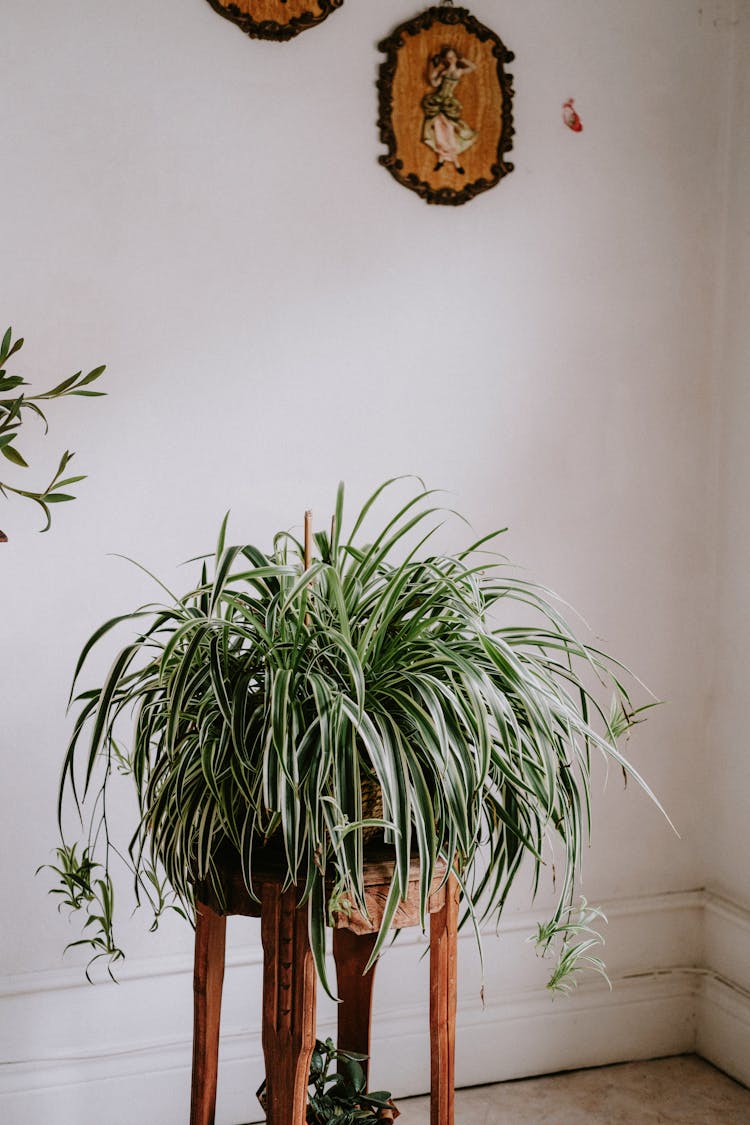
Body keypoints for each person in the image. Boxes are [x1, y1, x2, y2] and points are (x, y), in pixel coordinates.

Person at [421, 46, 478, 174]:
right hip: (438, 101)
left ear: (456, 57)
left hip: (449, 103)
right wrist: (434, 70)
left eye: (452, 57)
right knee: (439, 130)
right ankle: (443, 160)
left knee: (450, 130)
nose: (450, 59)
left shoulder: (459, 71)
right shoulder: (444, 72)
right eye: (448, 58)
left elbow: (473, 67)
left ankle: (454, 161)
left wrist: (462, 58)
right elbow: (434, 84)